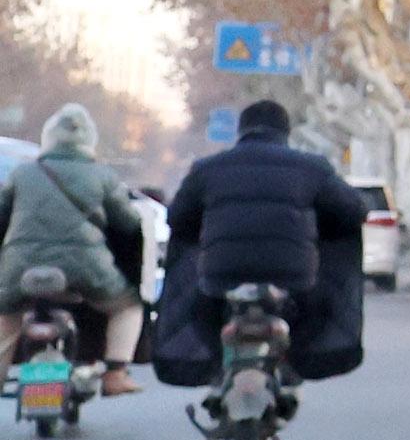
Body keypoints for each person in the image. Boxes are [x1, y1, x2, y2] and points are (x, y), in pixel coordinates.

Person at [152, 97, 369, 389]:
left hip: (220, 277)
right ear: (286, 132)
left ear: (241, 131)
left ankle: (216, 371)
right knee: (313, 311)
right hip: (293, 278)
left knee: (201, 312)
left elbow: (177, 218)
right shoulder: (311, 168)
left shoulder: (207, 169)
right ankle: (295, 363)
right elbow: (354, 211)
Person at [3, 106, 151, 393]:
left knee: (5, 312)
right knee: (128, 306)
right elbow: (128, 224)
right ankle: (115, 374)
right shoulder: (103, 176)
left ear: (47, 138)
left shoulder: (22, 174)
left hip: (20, 267)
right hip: (86, 267)